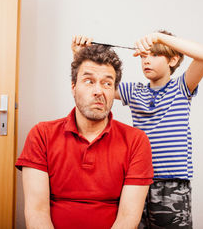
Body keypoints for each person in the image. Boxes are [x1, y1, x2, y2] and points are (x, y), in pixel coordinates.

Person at [71, 31, 203, 228]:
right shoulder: (134, 91)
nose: (147, 61)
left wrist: (159, 38)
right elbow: (100, 87)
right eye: (144, 56)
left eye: (154, 55)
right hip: (137, 182)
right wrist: (79, 55)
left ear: (173, 60)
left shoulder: (181, 87)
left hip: (172, 184)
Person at [16, 44, 154, 229]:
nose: (99, 91)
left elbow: (128, 217)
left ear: (114, 91)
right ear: (73, 87)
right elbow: (36, 211)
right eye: (89, 81)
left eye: (107, 83)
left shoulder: (136, 140)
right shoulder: (41, 134)